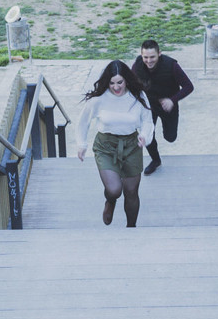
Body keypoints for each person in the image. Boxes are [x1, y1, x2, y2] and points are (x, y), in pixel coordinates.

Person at [77, 60, 155, 227]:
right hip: (106, 146)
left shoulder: (137, 96)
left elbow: (148, 120)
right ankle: (110, 200)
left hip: (132, 145)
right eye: (112, 83)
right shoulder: (99, 99)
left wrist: (144, 136)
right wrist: (81, 144)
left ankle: (131, 228)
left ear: (126, 80)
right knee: (114, 189)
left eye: (120, 82)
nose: (116, 87)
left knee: (131, 191)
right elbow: (83, 122)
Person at [131, 39, 194, 175]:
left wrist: (172, 100)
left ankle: (164, 135)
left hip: (168, 106)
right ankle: (155, 160)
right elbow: (131, 85)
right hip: (148, 107)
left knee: (170, 137)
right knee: (148, 136)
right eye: (145, 57)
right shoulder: (137, 65)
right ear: (141, 55)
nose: (149, 61)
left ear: (159, 53)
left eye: (152, 57)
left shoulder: (171, 65)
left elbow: (189, 86)